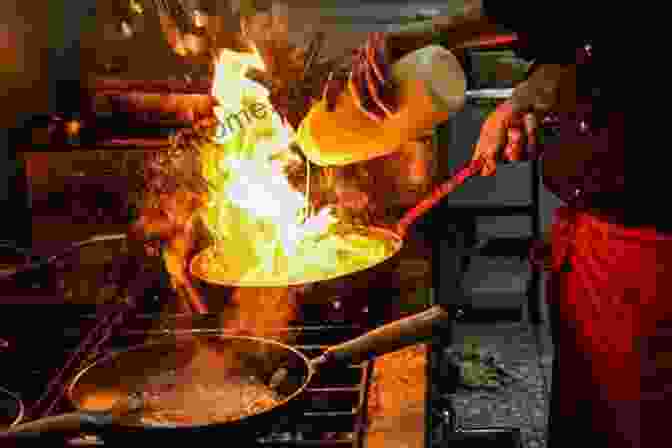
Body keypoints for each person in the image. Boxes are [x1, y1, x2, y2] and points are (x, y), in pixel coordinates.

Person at [296, 2, 659, 448]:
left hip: (647, 250)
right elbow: (576, 34)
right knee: (592, 419)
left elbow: (628, 41)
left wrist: (421, 39)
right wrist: (530, 92)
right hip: (594, 237)